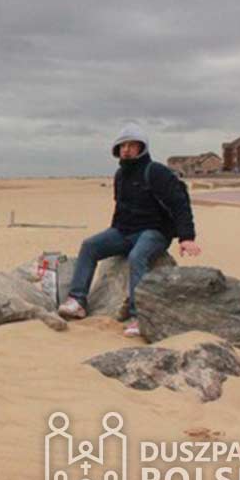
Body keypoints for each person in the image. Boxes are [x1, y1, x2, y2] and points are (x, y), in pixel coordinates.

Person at [57, 122, 201, 337]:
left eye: (132, 145)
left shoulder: (156, 171)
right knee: (89, 246)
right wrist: (112, 234)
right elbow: (121, 207)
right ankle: (77, 301)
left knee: (137, 256)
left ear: (142, 147)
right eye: (123, 146)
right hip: (124, 231)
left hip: (154, 231)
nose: (126, 149)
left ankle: (138, 317)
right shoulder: (120, 174)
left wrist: (186, 237)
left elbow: (179, 203)